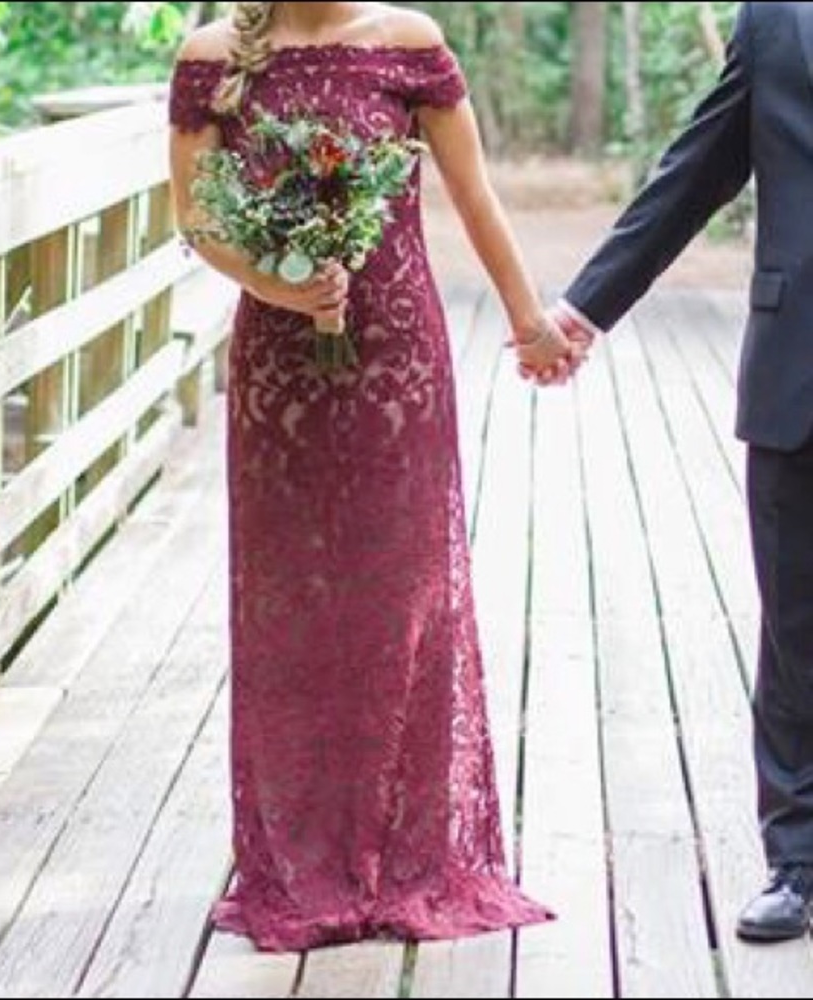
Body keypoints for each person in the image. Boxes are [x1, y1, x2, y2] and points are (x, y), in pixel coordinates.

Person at [168, 1, 570, 951]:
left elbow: (475, 197)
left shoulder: (411, 44)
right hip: (278, 365)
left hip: (397, 357)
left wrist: (529, 324)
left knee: (403, 594)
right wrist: (274, 283)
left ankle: (411, 854)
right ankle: (303, 855)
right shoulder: (214, 56)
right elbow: (195, 215)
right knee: (291, 598)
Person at [549, 0, 813, 943]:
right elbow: (699, 169)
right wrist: (586, 307)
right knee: (795, 619)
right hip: (800, 365)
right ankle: (798, 862)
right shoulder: (776, 18)